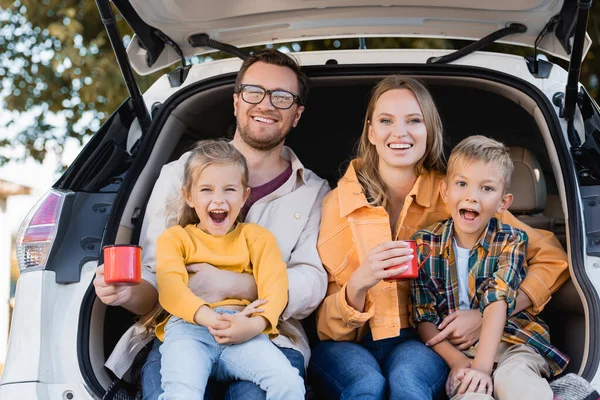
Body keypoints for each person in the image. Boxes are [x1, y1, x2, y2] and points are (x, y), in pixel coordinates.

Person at [311, 75, 569, 399]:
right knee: (365, 387)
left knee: (409, 383)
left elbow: (553, 257)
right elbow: (324, 326)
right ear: (371, 131)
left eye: (414, 120)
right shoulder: (337, 203)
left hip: (421, 340)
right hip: (354, 342)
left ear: (429, 129)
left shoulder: (459, 194)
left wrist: (488, 314)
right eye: (386, 120)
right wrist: (359, 284)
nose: (400, 132)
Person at [95, 49, 330, 400]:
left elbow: (311, 280)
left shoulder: (312, 190)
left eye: (282, 97)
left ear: (296, 115)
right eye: (254, 92)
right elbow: (157, 276)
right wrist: (128, 292)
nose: (266, 104)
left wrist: (237, 286)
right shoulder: (178, 173)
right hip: (179, 330)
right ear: (236, 102)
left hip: (271, 333)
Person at [411, 135, 568, 400]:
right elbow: (423, 316)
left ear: (503, 203)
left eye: (486, 188)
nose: (472, 197)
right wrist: (457, 362)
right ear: (445, 192)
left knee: (515, 382)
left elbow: (498, 299)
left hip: (515, 342)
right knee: (472, 395)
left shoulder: (511, 239)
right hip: (463, 351)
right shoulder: (425, 243)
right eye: (462, 184)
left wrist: (483, 369)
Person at [152, 140, 304, 399]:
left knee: (289, 383)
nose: (218, 199)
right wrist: (210, 319)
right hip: (191, 329)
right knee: (182, 394)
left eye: (230, 189)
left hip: (244, 328)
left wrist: (256, 324)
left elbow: (275, 286)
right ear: (189, 196)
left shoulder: (256, 237)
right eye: (207, 190)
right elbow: (171, 289)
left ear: (245, 196)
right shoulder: (175, 238)